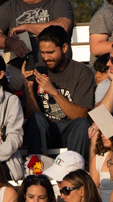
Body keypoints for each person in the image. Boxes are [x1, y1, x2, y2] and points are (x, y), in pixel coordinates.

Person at [21, 25, 95, 158]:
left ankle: (75, 168)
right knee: (36, 119)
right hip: (46, 131)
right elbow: (33, 117)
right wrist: (29, 89)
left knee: (82, 124)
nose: (46, 57)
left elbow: (81, 116)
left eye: (50, 52)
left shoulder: (82, 72)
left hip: (71, 131)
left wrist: (54, 92)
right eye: (42, 52)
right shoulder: (38, 71)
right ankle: (37, 167)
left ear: (64, 48)